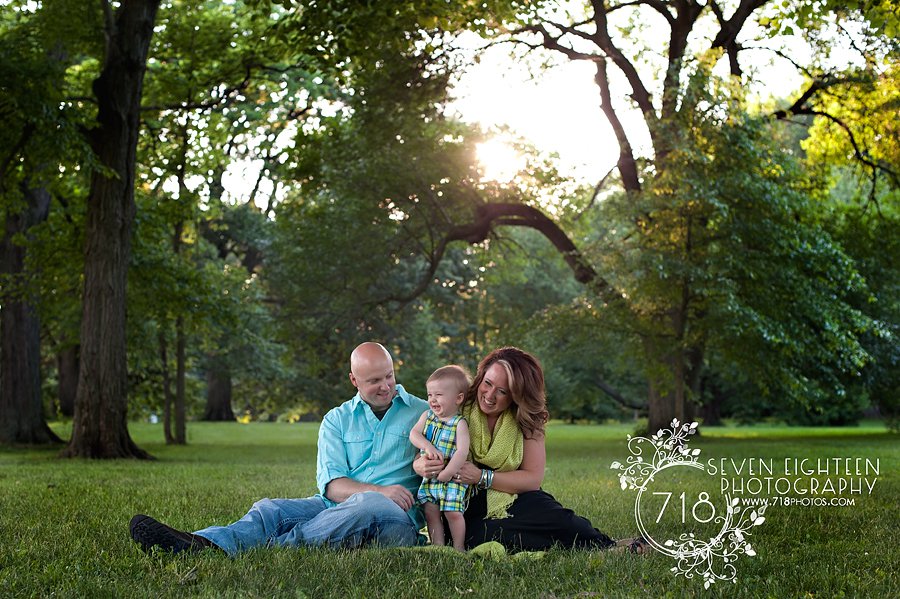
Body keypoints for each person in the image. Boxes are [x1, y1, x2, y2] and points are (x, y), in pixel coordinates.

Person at [130, 342, 429, 555]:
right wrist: (378, 490)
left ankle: (275, 548)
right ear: (353, 380)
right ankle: (200, 544)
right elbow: (333, 488)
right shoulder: (336, 420)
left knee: (368, 504)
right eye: (375, 380)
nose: (386, 386)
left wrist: (388, 490)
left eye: (389, 375)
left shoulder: (424, 412)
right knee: (269, 509)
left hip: (396, 521)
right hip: (335, 507)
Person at [414, 346, 645, 553]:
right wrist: (421, 464)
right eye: (488, 383)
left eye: (503, 391)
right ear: (481, 377)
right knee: (482, 535)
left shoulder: (526, 420)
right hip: (460, 499)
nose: (490, 395)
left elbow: (532, 480)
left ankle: (608, 546)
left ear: (517, 395)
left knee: (555, 517)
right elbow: (424, 448)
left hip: (511, 493)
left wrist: (481, 476)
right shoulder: (458, 405)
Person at [409, 365, 471, 551]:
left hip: (451, 479)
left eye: (439, 395)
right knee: (431, 513)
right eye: (429, 395)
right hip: (430, 479)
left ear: (458, 398)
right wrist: (427, 446)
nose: (432, 400)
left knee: (453, 513)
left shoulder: (459, 423)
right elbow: (414, 434)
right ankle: (438, 547)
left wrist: (449, 472)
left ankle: (459, 547)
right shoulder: (427, 416)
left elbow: (462, 451)